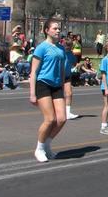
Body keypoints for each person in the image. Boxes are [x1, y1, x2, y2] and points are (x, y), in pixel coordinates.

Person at [29, 19, 67, 163]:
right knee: (50, 119)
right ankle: (39, 149)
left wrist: (62, 87)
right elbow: (34, 71)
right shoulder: (41, 48)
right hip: (43, 84)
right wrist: (32, 93)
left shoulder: (61, 48)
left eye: (59, 29)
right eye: (55, 28)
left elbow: (62, 70)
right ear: (47, 30)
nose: (58, 31)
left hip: (57, 86)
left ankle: (46, 145)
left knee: (62, 119)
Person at [62, 39, 79, 120]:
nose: (68, 47)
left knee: (69, 93)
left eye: (70, 45)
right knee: (58, 95)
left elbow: (74, 63)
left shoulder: (71, 54)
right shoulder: (60, 52)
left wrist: (77, 65)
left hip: (67, 76)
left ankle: (67, 113)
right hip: (58, 76)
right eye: (67, 45)